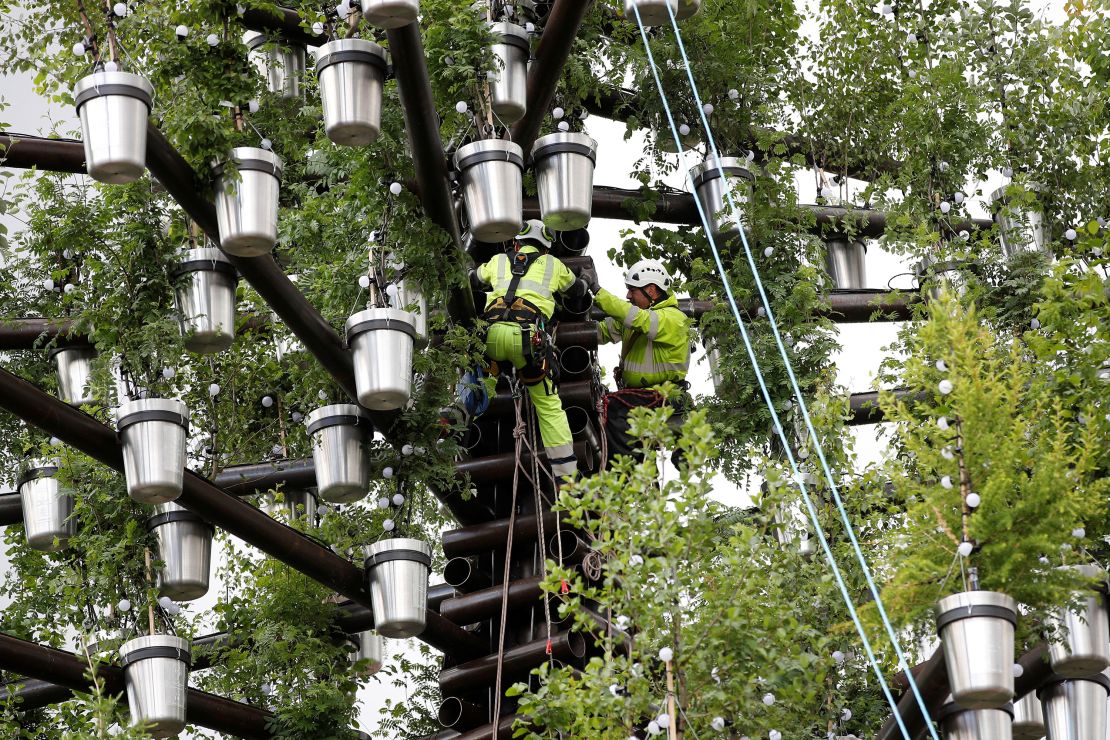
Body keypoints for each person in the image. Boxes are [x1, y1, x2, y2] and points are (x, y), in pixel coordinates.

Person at [471, 219, 589, 485]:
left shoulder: (499, 260)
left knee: (483, 386)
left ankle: (457, 414)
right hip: (527, 342)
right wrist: (587, 280)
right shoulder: (553, 265)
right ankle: (567, 475)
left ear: (516, 243)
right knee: (548, 405)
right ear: (546, 248)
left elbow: (473, 280)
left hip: (490, 337)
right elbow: (576, 292)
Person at [582, 259, 691, 461]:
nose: (628, 296)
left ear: (651, 290)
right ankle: (636, 469)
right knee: (601, 409)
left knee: (613, 407)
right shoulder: (637, 319)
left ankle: (629, 474)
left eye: (632, 290)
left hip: (664, 396)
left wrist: (596, 290)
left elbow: (638, 319)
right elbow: (601, 332)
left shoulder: (673, 318)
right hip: (644, 397)